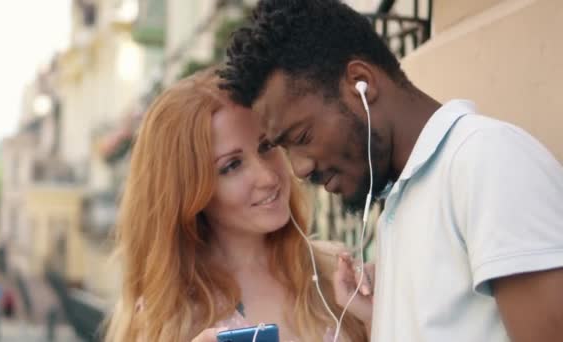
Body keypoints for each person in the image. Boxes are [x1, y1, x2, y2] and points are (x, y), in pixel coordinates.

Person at [218, 0, 563, 341]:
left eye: (303, 137)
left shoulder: (484, 160)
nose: (300, 168)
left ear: (360, 82)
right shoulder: (401, 203)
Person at [104, 68, 371, 342]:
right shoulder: (169, 316)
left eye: (266, 146)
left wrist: (373, 320)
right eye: (232, 165)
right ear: (190, 192)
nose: (268, 177)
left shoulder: (333, 273)